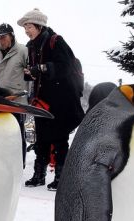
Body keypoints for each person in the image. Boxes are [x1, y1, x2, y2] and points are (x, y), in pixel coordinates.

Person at [18, 8, 84, 190]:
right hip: (41, 99)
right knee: (41, 138)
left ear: (39, 26)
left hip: (61, 99)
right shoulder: (31, 46)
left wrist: (42, 68)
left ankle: (61, 177)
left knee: (60, 138)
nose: (26, 30)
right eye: (25, 27)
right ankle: (39, 175)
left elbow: (66, 66)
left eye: (29, 26)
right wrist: (30, 73)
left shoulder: (56, 41)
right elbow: (35, 71)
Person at [0, 23, 29, 165]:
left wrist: (28, 94)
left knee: (17, 133)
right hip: (2, 100)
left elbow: (31, 75)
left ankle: (20, 163)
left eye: (3, 37)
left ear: (12, 36)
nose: (1, 40)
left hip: (17, 100)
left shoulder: (23, 51)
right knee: (3, 133)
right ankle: (5, 162)